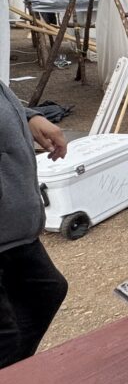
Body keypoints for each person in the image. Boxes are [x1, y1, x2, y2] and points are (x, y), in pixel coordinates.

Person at [0, 82, 69, 368]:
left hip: (13, 230)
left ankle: (14, 381)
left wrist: (27, 116)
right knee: (5, 338)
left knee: (46, 291)